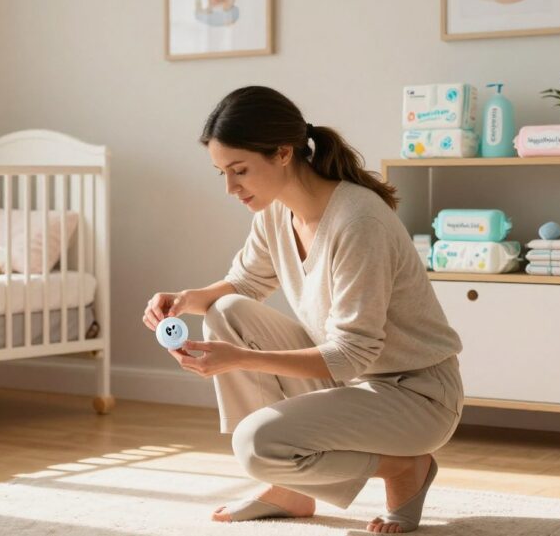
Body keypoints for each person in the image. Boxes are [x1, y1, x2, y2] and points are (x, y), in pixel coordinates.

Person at [143, 86, 464, 533]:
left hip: (414, 396)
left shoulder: (358, 222)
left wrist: (238, 359)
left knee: (255, 444)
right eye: (222, 173)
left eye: (239, 171)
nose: (231, 188)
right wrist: (186, 299)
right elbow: (245, 283)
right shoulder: (274, 214)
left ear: (282, 153)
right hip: (351, 381)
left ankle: (403, 467)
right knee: (225, 310)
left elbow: (353, 354)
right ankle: (289, 488)